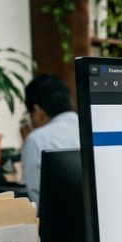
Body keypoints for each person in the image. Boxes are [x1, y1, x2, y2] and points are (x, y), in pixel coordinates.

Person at [21, 74, 79, 203]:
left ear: (37, 111)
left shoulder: (37, 139)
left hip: (60, 219)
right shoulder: (90, 127)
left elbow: (35, 197)